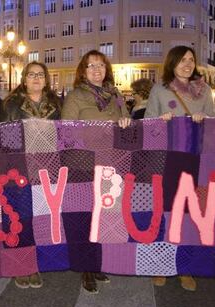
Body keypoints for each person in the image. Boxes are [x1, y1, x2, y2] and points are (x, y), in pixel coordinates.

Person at [145, 45, 214, 291]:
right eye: (182, 60)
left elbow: (214, 126)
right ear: (172, 63)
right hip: (168, 160)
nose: (187, 64)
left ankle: (185, 267)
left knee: (189, 215)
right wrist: (159, 122)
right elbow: (147, 125)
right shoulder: (160, 89)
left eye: (191, 60)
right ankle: (162, 265)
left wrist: (204, 121)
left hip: (194, 160)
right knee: (165, 212)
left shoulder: (205, 90)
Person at [62, 50, 130, 294]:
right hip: (82, 166)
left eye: (100, 65)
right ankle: (86, 268)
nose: (96, 70)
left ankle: (97, 263)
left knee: (104, 216)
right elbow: (66, 132)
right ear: (83, 70)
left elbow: (127, 122)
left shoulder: (116, 95)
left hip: (110, 164)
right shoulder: (75, 96)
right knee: (83, 218)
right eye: (91, 66)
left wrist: (125, 122)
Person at [2, 61, 62, 289]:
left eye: (40, 75)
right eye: (31, 74)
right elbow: (5, 139)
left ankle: (34, 264)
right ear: (24, 79)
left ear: (46, 80)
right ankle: (20, 265)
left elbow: (64, 134)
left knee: (40, 218)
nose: (36, 78)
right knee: (19, 218)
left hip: (47, 167)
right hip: (19, 167)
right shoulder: (11, 104)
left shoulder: (56, 103)